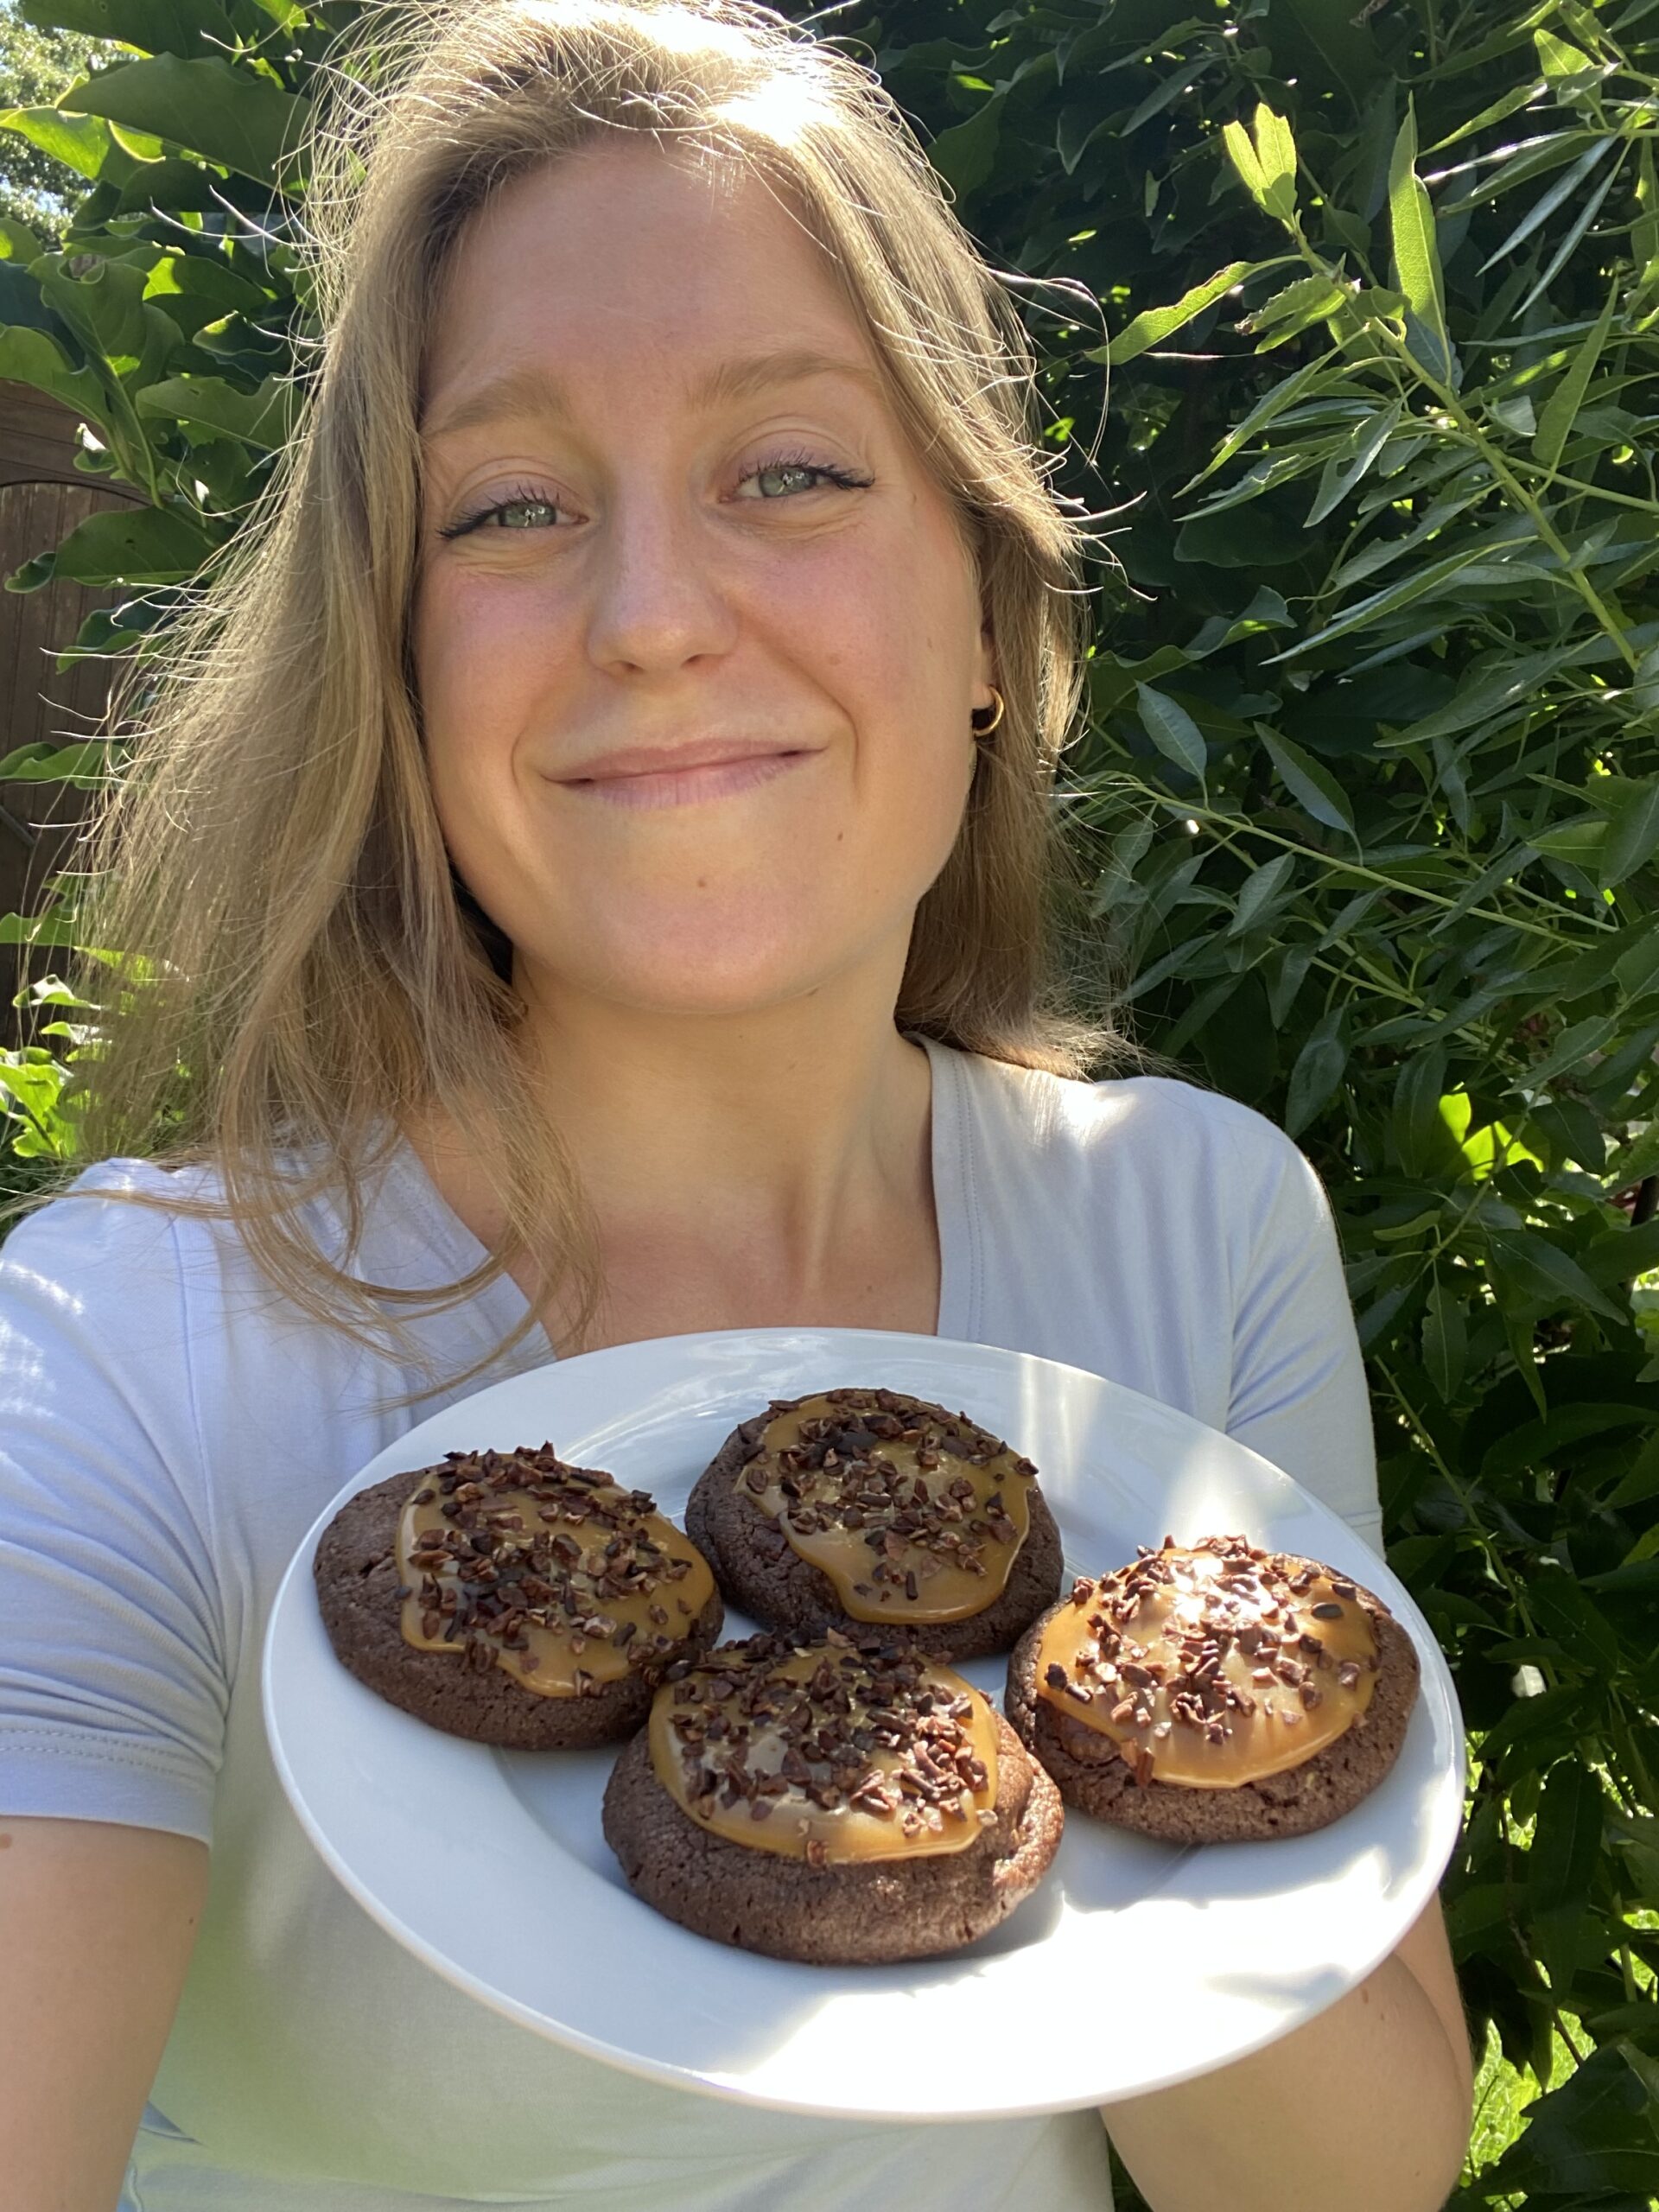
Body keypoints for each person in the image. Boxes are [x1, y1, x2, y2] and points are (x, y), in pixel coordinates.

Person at [0, 1, 1474, 2206]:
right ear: (397, 671)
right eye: (506, 506)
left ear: (986, 607)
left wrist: (1094, 1705)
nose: (656, 614)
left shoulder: (1193, 1225)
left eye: (790, 467)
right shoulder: (124, 1344)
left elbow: (1336, 2178)